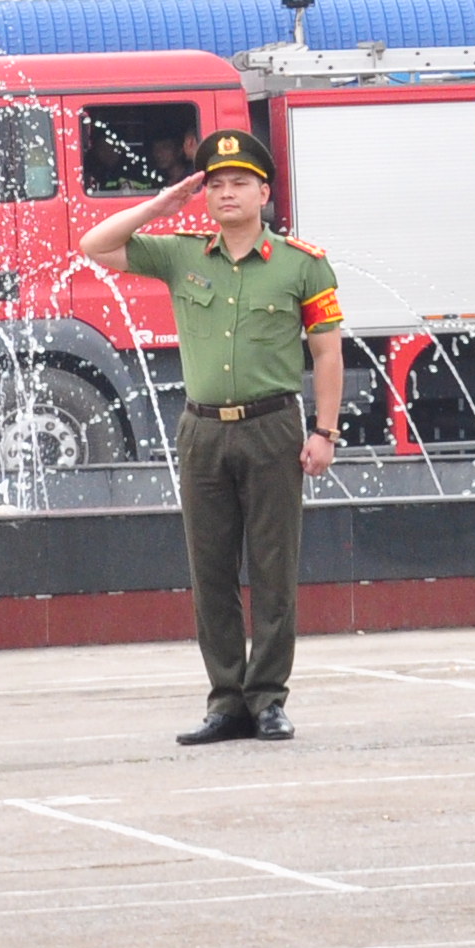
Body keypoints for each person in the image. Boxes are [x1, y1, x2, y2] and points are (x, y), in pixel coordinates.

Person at [80, 126, 342, 746]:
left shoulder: (303, 264)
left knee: (275, 570)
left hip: (273, 426)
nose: (227, 194)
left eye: (240, 184)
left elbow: (327, 355)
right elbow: (96, 244)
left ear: (263, 192)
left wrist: (324, 431)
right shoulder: (183, 254)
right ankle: (227, 700)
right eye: (217, 185)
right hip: (202, 430)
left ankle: (268, 697)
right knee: (211, 571)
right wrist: (161, 203)